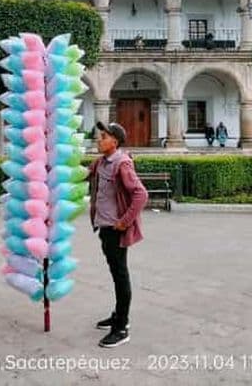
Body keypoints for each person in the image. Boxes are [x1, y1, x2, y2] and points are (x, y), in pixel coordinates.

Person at [88, 121, 148, 348]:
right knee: (116, 273)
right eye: (99, 136)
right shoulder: (101, 162)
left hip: (115, 229)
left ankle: (121, 327)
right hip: (105, 227)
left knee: (120, 274)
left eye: (103, 137)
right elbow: (83, 176)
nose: (99, 140)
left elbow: (141, 195)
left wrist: (124, 222)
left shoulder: (121, 164)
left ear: (115, 142)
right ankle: (118, 314)